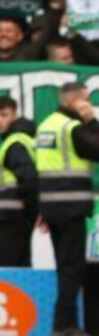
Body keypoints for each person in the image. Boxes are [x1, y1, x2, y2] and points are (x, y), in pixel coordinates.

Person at [36, 80, 99, 336]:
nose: (88, 105)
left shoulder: (46, 126)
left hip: (51, 206)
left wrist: (42, 208)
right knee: (73, 267)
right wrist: (93, 121)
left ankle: (64, 324)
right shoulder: (72, 128)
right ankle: (63, 326)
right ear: (72, 101)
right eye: (85, 100)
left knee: (63, 266)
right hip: (71, 206)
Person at [0, 95, 39, 266]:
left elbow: (28, 179)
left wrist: (32, 211)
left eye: (4, 115)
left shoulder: (14, 143)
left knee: (7, 271)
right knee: (20, 269)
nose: (0, 120)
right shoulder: (24, 140)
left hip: (11, 218)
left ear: (15, 115)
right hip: (17, 217)